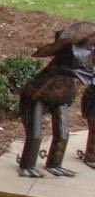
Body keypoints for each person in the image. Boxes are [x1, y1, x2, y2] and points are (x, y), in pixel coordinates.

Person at [17, 21, 95, 178]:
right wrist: (83, 74)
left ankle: (54, 163)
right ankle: (27, 165)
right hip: (38, 94)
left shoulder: (89, 50)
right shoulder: (69, 51)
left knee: (63, 133)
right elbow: (64, 69)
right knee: (36, 134)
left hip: (61, 96)